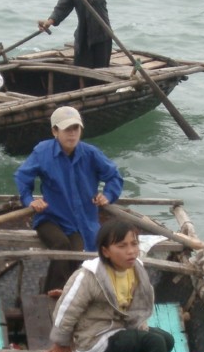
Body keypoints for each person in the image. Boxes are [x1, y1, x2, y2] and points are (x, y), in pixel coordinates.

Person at [42, 219, 183, 352]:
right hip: (96, 338)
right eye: (122, 246)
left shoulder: (136, 270)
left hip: (120, 329)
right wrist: (61, 343)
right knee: (154, 342)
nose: (131, 251)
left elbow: (135, 302)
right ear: (106, 251)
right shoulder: (89, 276)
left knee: (166, 340)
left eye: (134, 244)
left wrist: (138, 326)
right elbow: (67, 310)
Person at [14, 106, 123, 293]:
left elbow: (114, 176)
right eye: (67, 129)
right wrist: (30, 200)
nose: (72, 134)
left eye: (76, 129)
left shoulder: (91, 154)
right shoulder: (43, 152)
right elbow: (22, 176)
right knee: (61, 246)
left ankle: (68, 292)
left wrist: (108, 195)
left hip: (80, 222)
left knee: (77, 255)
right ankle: (52, 293)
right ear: (55, 131)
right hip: (50, 218)